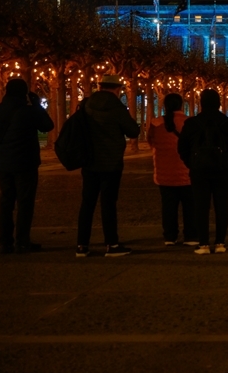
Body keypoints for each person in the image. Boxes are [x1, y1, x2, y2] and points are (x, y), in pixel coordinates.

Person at [0, 78, 55, 254]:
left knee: (6, 202)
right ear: (24, 93)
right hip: (26, 162)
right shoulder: (29, 112)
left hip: (4, 163)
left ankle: (5, 241)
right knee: (25, 203)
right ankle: (23, 240)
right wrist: (37, 105)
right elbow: (48, 126)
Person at [76, 74, 140, 257]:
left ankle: (82, 245)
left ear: (100, 86)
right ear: (117, 89)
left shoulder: (86, 104)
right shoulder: (116, 107)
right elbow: (132, 130)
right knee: (108, 204)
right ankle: (111, 244)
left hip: (89, 160)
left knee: (87, 203)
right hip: (111, 162)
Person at [178, 89, 228, 254]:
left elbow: (182, 148)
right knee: (222, 205)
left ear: (201, 103)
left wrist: (191, 163)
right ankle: (220, 242)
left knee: (201, 206)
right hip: (223, 170)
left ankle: (203, 243)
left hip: (199, 170)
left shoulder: (192, 123)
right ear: (219, 103)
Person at [147, 93, 197, 247]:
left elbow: (151, 142)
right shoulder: (190, 122)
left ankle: (170, 236)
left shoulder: (155, 124)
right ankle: (191, 235)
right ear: (181, 105)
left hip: (164, 173)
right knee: (190, 207)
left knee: (168, 207)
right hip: (187, 172)